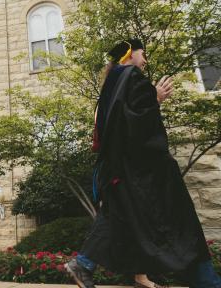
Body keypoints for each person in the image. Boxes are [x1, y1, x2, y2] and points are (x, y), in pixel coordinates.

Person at [65, 39, 220, 288]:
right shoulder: (131, 76)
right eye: (142, 54)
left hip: (118, 169)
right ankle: (205, 281)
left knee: (123, 219)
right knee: (174, 224)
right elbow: (134, 125)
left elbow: (118, 123)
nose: (145, 60)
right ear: (129, 54)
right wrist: (154, 99)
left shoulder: (111, 83)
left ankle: (100, 267)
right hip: (138, 172)